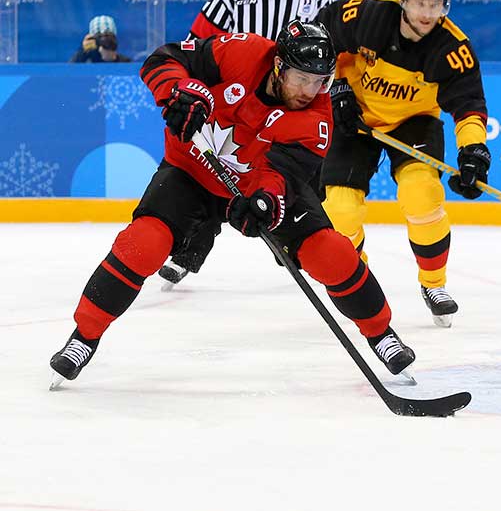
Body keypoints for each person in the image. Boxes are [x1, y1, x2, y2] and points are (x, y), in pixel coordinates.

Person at [49, 21, 416, 386]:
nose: (310, 90)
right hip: (191, 172)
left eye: (320, 81)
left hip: (257, 186)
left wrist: (264, 203)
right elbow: (163, 59)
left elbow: (282, 175)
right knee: (143, 243)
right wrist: (180, 93)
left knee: (330, 252)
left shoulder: (317, 120)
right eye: (301, 78)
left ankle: (380, 333)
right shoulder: (240, 52)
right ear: (278, 66)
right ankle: (84, 337)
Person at [158, 0, 335, 288]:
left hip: (294, 108)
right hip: (241, 99)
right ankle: (189, 250)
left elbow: (331, 50)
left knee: (293, 183)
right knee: (212, 174)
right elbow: (199, 39)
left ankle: (292, 245)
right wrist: (192, 87)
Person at [315, 0, 490, 328]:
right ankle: (357, 284)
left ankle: (434, 284)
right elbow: (322, 37)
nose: (428, 13)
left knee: (421, 193)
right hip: (356, 117)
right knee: (340, 212)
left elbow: (469, 107)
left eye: (436, 4)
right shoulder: (367, 11)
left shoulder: (453, 48)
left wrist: (473, 152)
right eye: (420, 2)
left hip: (414, 122)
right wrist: (338, 87)